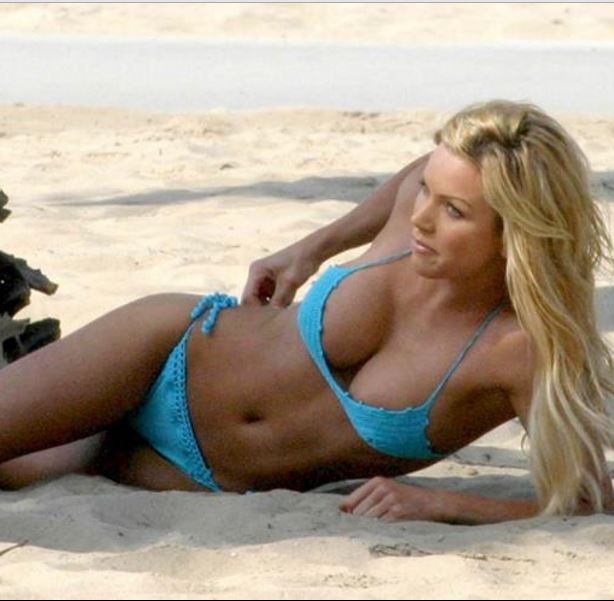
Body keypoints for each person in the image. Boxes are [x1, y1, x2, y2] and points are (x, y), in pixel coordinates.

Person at [0, 99, 612, 525]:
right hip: (163, 352)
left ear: (515, 233)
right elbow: (415, 176)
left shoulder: (519, 349)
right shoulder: (420, 202)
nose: (421, 217)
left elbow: (588, 497)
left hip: (194, 474)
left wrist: (447, 504)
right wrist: (311, 248)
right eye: (429, 189)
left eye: (454, 211)